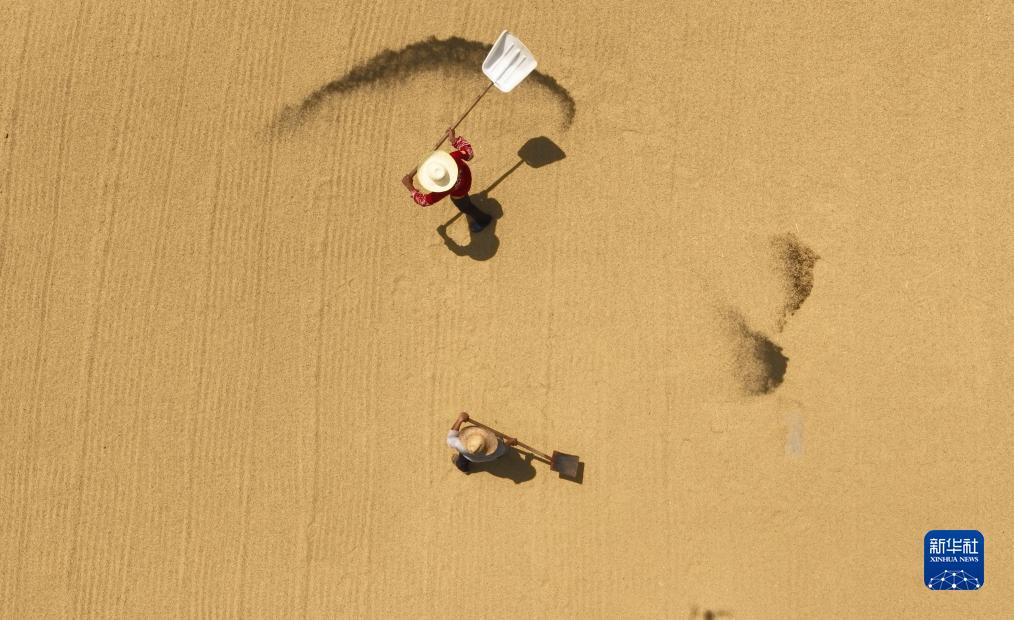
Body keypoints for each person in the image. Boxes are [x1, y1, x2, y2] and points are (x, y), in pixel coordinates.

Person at [402, 128, 493, 232]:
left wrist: (410, 188)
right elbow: (469, 153)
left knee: (466, 207)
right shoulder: (453, 157)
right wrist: (454, 140)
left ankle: (484, 220)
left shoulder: (444, 189)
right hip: (466, 177)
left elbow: (425, 201)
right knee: (465, 198)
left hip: (459, 193)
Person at [447, 412, 517, 473]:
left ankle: (464, 469)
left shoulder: (460, 445)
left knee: (461, 462)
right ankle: (499, 456)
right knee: (499, 453)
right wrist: (510, 442)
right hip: (485, 458)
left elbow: (450, 438)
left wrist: (460, 420)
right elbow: (503, 448)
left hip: (468, 456)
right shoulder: (497, 450)